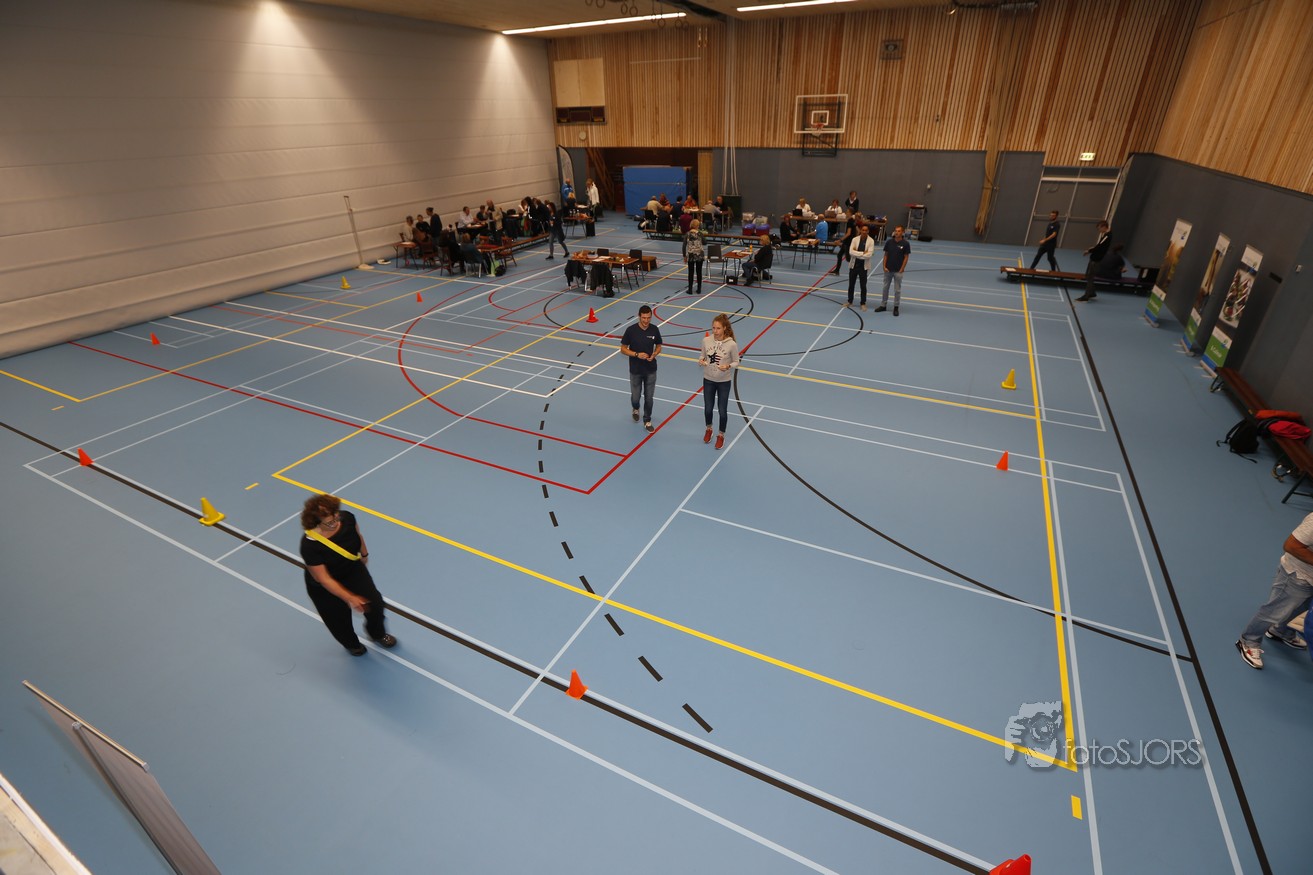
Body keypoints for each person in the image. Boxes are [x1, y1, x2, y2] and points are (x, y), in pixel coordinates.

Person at [299, 493, 396, 656]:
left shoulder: (347, 519)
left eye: (336, 515)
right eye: (330, 522)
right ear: (316, 523)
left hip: (351, 570)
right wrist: (350, 597)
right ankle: (352, 644)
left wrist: (364, 554)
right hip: (324, 586)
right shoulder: (309, 545)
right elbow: (323, 579)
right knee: (338, 619)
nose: (336, 522)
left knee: (376, 604)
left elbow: (358, 536)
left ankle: (377, 633)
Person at [1236, 512, 1313, 669]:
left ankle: (1281, 631)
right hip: (1298, 574)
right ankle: (1248, 640)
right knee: (1275, 611)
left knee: (1301, 607)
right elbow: (1291, 545)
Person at [699, 313, 740, 451]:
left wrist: (728, 366)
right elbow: (702, 356)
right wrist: (701, 361)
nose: (715, 331)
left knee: (722, 411)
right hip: (708, 380)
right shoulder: (706, 341)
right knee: (708, 408)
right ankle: (709, 429)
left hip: (724, 382)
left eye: (718, 328)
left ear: (724, 328)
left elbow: (736, 362)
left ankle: (721, 435)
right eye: (713, 328)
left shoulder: (731, 344)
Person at [621, 305, 662, 432]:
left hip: (651, 370)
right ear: (639, 316)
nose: (646, 321)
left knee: (649, 398)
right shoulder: (631, 330)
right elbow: (623, 349)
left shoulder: (654, 329)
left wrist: (655, 354)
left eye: (648, 318)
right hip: (635, 370)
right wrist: (636, 354)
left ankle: (647, 420)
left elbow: (659, 345)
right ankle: (635, 407)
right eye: (644, 318)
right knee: (635, 397)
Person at [879, 225, 911, 316]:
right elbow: (886, 255)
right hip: (888, 270)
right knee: (885, 288)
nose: (897, 232)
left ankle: (896, 307)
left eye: (899, 231)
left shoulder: (905, 244)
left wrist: (902, 269)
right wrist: (884, 266)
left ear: (902, 232)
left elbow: (906, 257)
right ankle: (883, 305)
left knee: (897, 290)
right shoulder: (889, 242)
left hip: (898, 271)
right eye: (896, 231)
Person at [844, 224, 876, 309]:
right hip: (853, 266)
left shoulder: (871, 241)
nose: (864, 232)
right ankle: (850, 301)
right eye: (863, 230)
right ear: (860, 231)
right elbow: (851, 252)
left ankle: (863, 303)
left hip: (863, 267)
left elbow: (869, 255)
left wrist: (857, 253)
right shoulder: (854, 239)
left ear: (868, 231)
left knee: (863, 286)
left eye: (866, 230)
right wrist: (862, 253)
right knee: (851, 285)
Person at [683, 218, 705, 294]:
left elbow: (684, 246)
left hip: (691, 254)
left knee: (691, 272)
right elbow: (705, 242)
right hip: (699, 255)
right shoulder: (700, 234)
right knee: (699, 272)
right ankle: (699, 289)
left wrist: (684, 256)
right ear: (697, 226)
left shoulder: (687, 234)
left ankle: (690, 289)